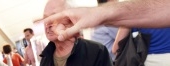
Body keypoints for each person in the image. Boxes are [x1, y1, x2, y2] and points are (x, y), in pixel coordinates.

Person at [42, 0, 170, 42]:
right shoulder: (46, 58)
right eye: (45, 18)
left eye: (53, 16)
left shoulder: (93, 50)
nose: (47, 23)